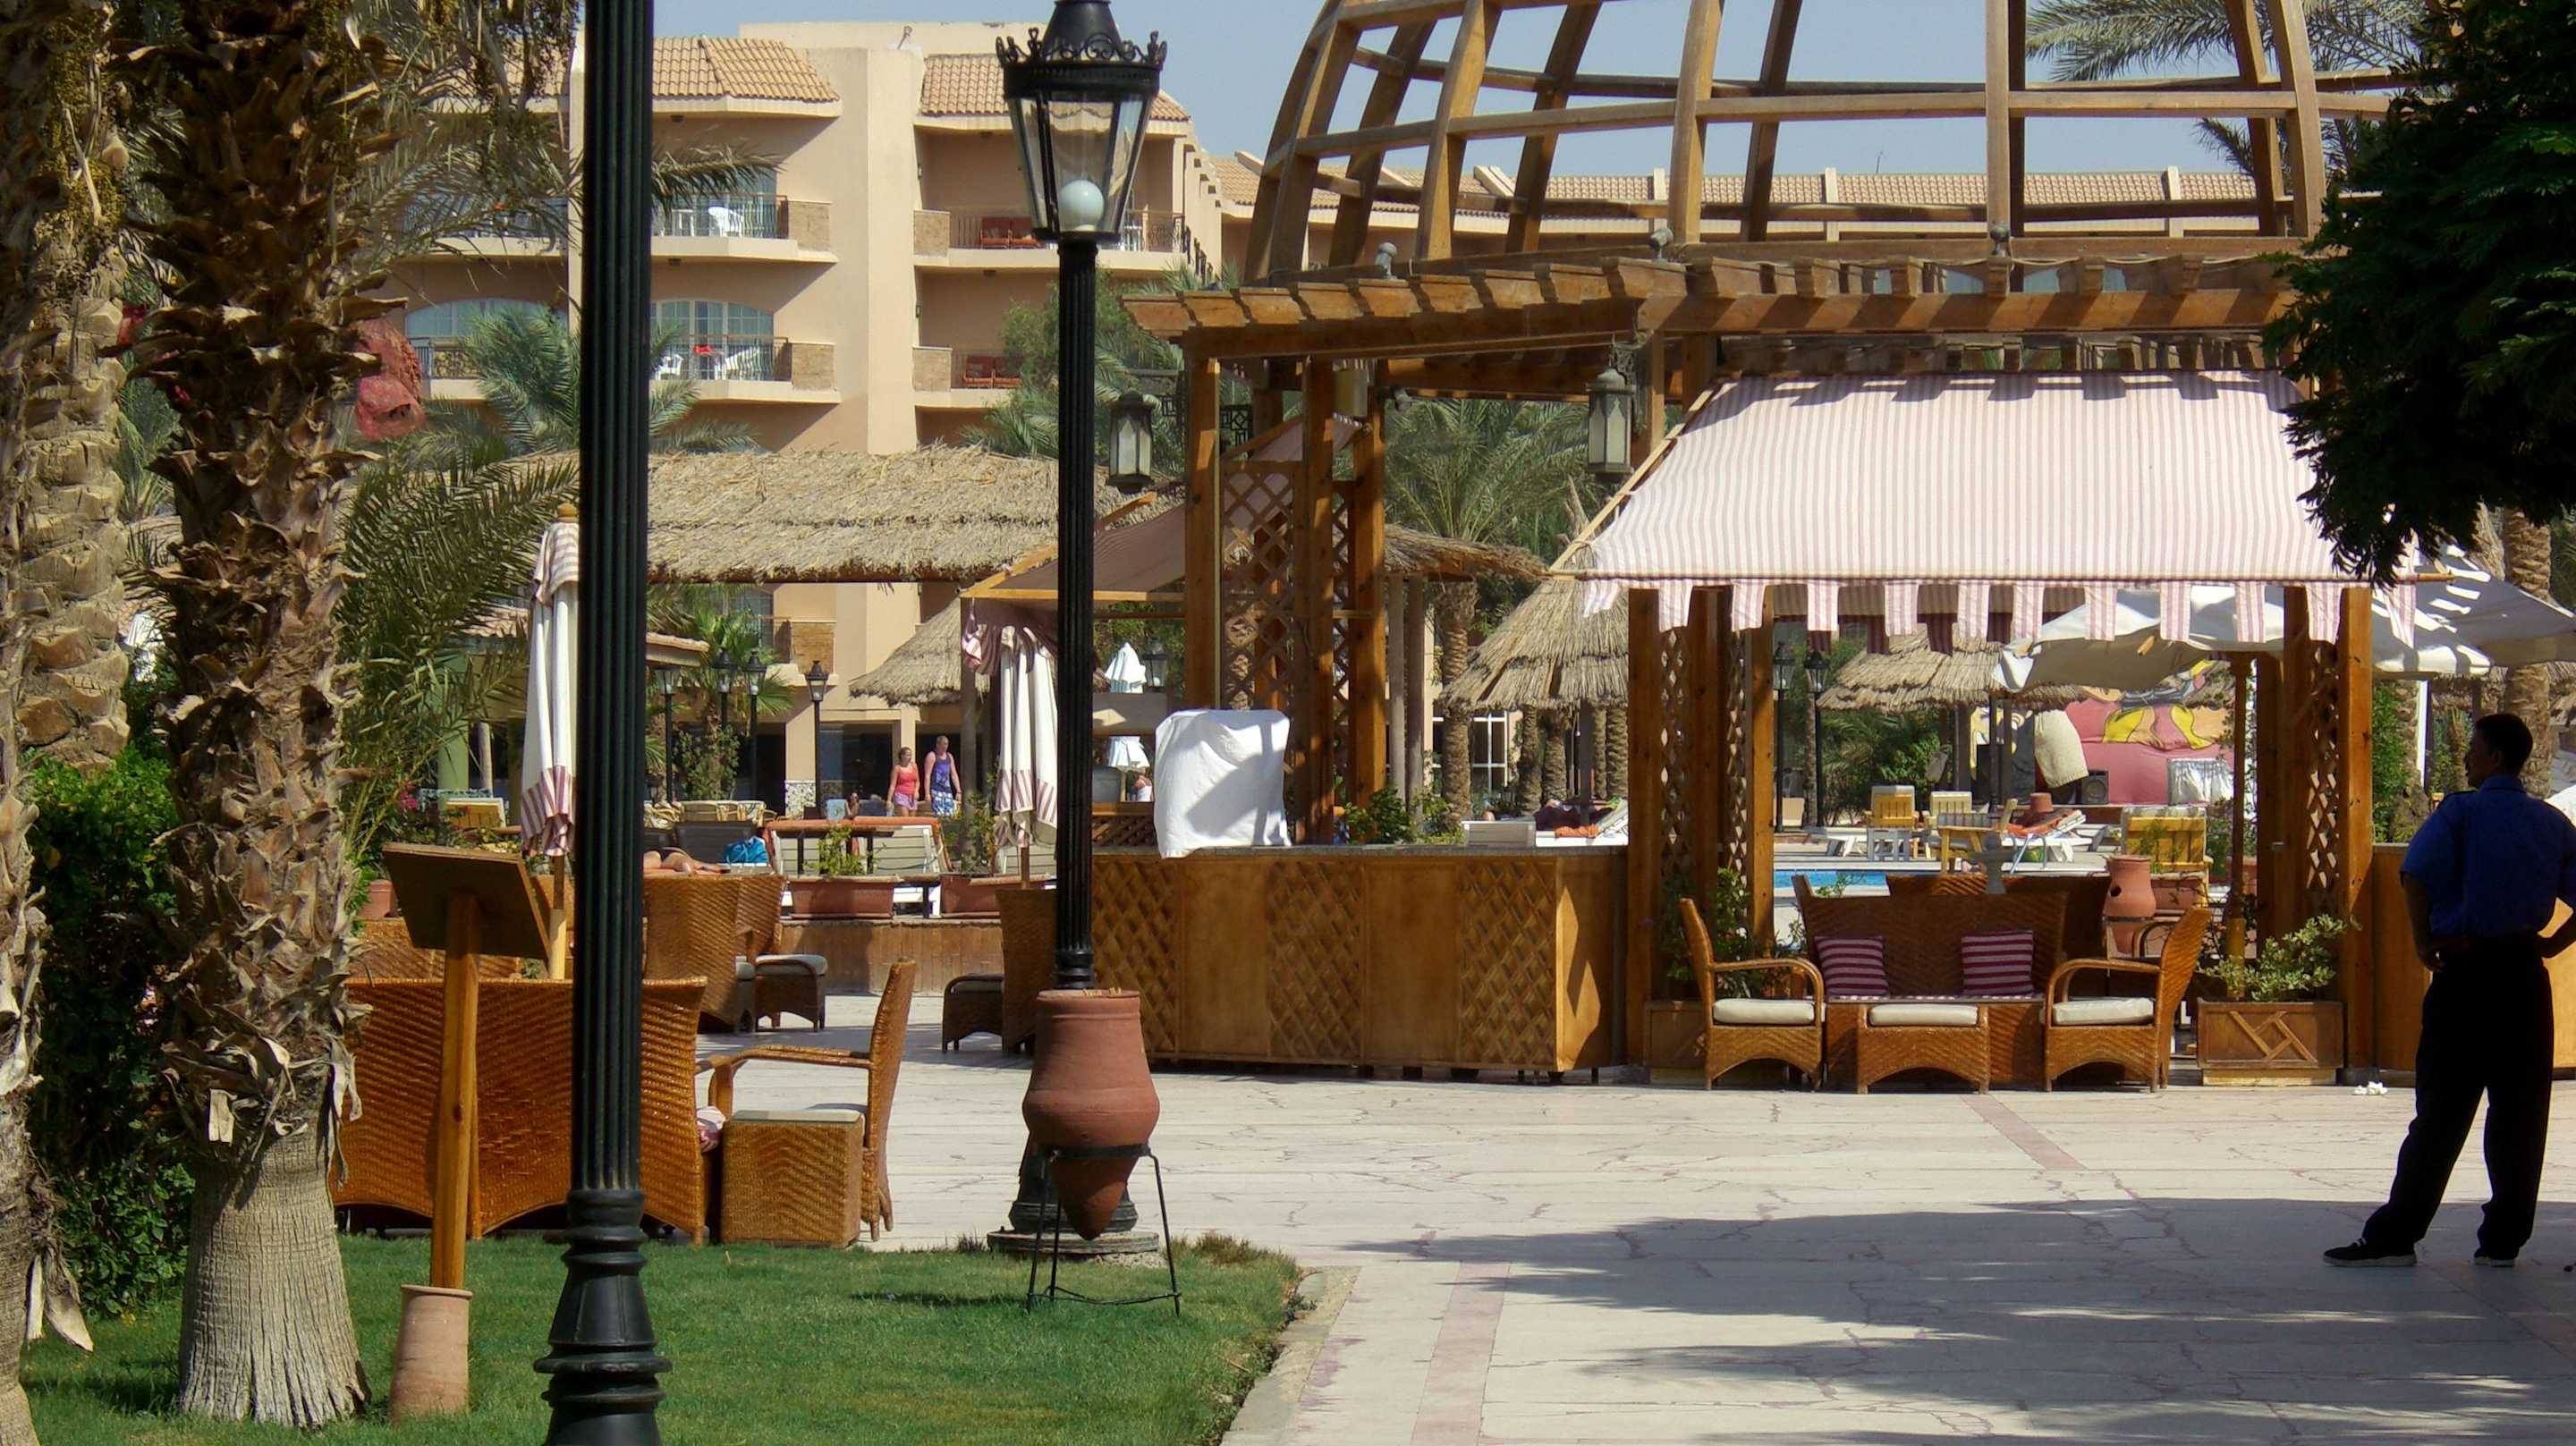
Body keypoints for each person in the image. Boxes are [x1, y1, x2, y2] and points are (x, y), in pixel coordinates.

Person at [2326, 714, 2576, 1269]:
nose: (2466, 758)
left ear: (2493, 756)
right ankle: (2503, 1242)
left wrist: (2422, 941)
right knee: (2521, 1113)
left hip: (2466, 970)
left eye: (2474, 748)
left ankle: (2396, 1236)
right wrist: (2552, 944)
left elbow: (2415, 873)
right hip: (2523, 976)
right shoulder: (2551, 823)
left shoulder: (2460, 812)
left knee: (2440, 1111)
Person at [925, 735, 961, 817]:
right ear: (938, 744)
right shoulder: (932, 756)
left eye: (946, 744)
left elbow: (954, 774)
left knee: (950, 814)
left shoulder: (949, 756)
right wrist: (927, 793)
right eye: (943, 744)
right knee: (939, 814)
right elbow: (927, 775)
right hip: (936, 789)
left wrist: (958, 790)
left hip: (947, 790)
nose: (945, 746)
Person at [887, 745, 920, 816]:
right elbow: (892, 785)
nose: (910, 757)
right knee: (905, 818)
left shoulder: (914, 766)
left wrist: (916, 791)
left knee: (912, 819)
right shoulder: (897, 768)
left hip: (912, 796)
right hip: (901, 795)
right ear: (902, 756)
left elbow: (917, 781)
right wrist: (889, 800)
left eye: (910, 755)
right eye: (907, 755)